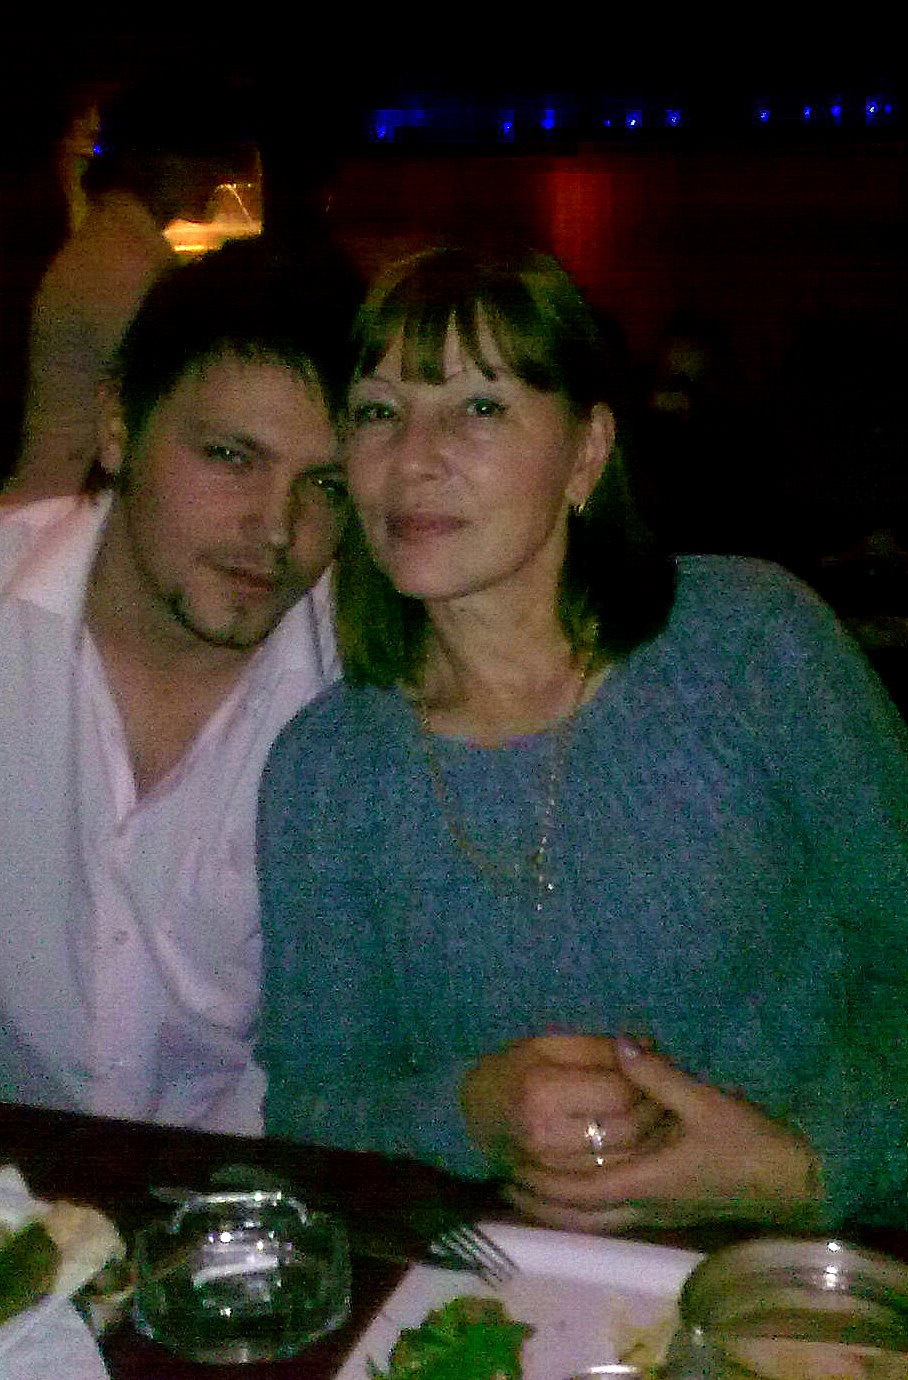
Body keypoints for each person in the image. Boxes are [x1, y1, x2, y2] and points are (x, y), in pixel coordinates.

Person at [258, 245, 908, 1232]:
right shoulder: (326, 769)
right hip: (518, 1287)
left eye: (479, 406)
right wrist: (472, 1111)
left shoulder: (749, 647)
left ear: (586, 453)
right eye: (378, 412)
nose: (412, 458)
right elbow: (312, 1106)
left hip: (810, 1259)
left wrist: (804, 1166)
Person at [0, 245, 353, 1133]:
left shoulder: (369, 695)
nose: (277, 529)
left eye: (325, 485)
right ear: (118, 426)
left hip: (265, 1190)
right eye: (232, 456)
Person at [6, 78, 258, 503]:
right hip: (69, 504)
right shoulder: (125, 262)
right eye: (199, 156)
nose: (217, 175)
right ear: (153, 161)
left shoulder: (117, 244)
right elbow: (173, 395)